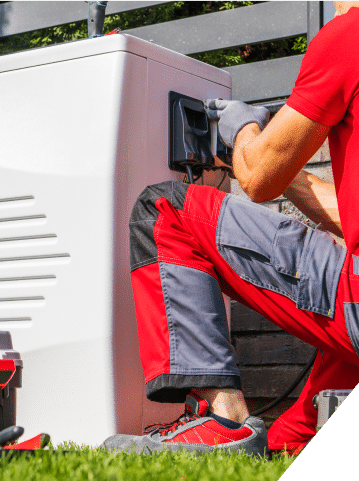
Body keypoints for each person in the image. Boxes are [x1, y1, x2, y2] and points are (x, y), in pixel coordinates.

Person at [103, 1, 359, 455]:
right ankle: (276, 442)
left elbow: (258, 178)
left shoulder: (348, 35)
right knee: (289, 442)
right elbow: (347, 214)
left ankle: (224, 422)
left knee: (164, 209)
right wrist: (272, 157)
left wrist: (244, 131)